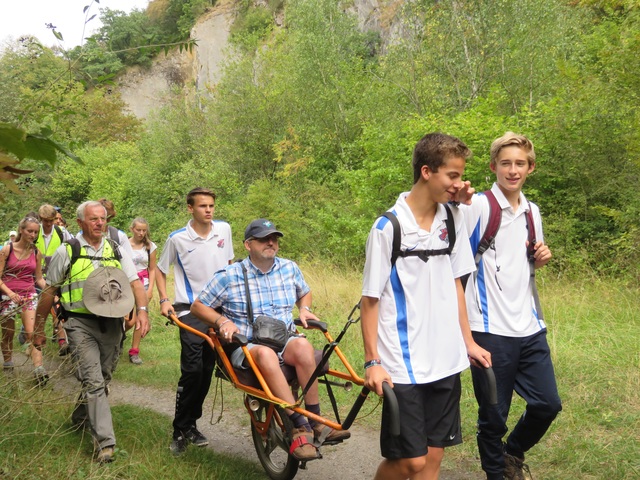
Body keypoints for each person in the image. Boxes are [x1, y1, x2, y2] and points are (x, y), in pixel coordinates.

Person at [360, 132, 491, 480]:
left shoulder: (452, 219)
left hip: (445, 360)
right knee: (410, 462)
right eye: (453, 175)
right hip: (403, 364)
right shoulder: (388, 227)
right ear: (427, 172)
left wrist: (468, 342)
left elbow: (457, 284)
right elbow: (370, 300)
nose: (459, 184)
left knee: (432, 461)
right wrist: (373, 361)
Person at [191, 218, 351, 462]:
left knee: (303, 345)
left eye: (274, 238)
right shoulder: (229, 275)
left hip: (283, 338)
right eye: (264, 239)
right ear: (248, 245)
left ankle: (316, 420)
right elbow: (198, 307)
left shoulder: (289, 268)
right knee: (265, 354)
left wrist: (305, 308)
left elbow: (304, 292)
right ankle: (299, 426)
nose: (271, 242)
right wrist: (222, 322)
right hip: (247, 345)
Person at [459, 132, 561, 480]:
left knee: (547, 404)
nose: (512, 170)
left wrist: (541, 258)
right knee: (493, 416)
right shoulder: (477, 207)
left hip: (530, 327)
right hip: (488, 329)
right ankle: (496, 474)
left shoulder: (533, 212)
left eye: (520, 163)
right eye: (506, 163)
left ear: (530, 168)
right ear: (494, 166)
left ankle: (512, 453)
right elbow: (456, 260)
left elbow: (528, 261)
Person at [34, 200, 150, 464]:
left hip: (112, 324)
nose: (100, 223)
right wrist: (39, 329)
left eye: (103, 218)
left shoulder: (117, 250)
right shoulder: (68, 251)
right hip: (78, 323)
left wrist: (142, 310)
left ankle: (79, 417)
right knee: (94, 381)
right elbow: (49, 292)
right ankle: (105, 443)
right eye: (94, 219)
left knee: (103, 377)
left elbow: (135, 283)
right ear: (80, 223)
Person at [156, 187, 234, 455]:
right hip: (189, 310)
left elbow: (231, 265)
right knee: (192, 371)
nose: (209, 210)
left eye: (211, 205)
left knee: (207, 370)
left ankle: (191, 425)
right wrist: (164, 299)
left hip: (220, 310)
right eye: (203, 206)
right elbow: (160, 268)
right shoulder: (177, 238)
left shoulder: (224, 230)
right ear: (190, 208)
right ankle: (179, 429)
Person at [0, 216, 46, 375]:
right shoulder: (7, 249)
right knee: (8, 332)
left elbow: (38, 278)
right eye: (29, 231)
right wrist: (10, 293)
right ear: (21, 230)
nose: (32, 235)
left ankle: (39, 369)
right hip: (8, 295)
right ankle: (8, 363)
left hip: (29, 294)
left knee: (32, 332)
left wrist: (51, 291)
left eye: (35, 232)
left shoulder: (36, 252)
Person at [34, 204, 73, 355]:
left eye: (51, 220)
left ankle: (62, 341)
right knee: (36, 310)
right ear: (40, 219)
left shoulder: (61, 232)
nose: (49, 224)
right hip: (35, 277)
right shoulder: (35, 231)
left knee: (57, 307)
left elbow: (72, 247)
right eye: (45, 221)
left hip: (56, 276)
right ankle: (29, 336)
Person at [125, 217, 157, 364]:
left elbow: (152, 269)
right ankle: (118, 337)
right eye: (138, 230)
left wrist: (150, 289)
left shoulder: (150, 247)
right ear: (132, 229)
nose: (141, 233)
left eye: (144, 230)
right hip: (126, 283)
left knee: (140, 317)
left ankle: (134, 351)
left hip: (143, 284)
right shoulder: (124, 244)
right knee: (127, 320)